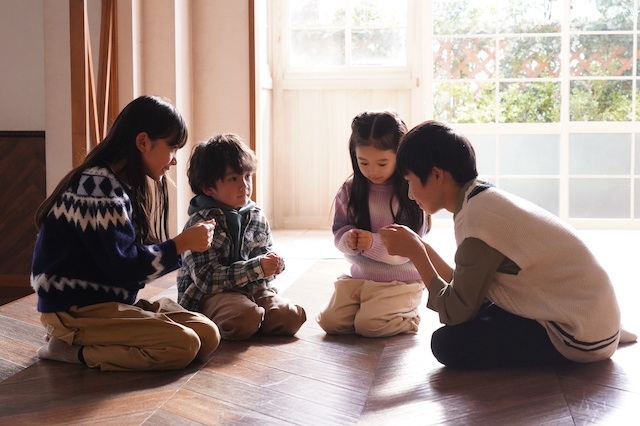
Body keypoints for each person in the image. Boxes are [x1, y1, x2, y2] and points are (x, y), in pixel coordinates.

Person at [379, 120, 637, 368]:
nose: (410, 195)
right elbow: (466, 288)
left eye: (410, 181)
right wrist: (420, 247)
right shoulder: (480, 198)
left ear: (436, 175)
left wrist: (416, 253)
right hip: (592, 316)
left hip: (579, 336)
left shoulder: (477, 220)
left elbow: (456, 311)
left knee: (446, 343)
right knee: (482, 309)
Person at [31, 95, 221, 372]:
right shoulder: (98, 187)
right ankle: (71, 350)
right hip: (75, 311)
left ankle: (97, 340)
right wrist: (181, 244)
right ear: (143, 142)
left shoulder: (118, 184)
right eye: (172, 147)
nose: (175, 161)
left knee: (207, 334)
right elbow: (125, 268)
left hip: (109, 305)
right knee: (184, 345)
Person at [177, 133, 307, 340]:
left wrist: (273, 265)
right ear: (208, 188)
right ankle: (239, 318)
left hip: (254, 289)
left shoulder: (256, 215)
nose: (244, 185)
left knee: (290, 316)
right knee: (244, 317)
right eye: (233, 179)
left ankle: (255, 316)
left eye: (247, 176)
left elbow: (264, 255)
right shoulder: (200, 224)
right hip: (211, 295)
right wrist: (257, 267)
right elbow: (206, 280)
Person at [316, 111, 430, 337]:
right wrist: (349, 240)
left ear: (400, 155)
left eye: (382, 163)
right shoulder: (350, 190)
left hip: (401, 280)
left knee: (369, 326)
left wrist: (372, 243)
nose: (372, 171)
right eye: (363, 162)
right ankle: (369, 304)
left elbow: (408, 250)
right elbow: (339, 230)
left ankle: (408, 314)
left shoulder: (411, 191)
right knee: (330, 322)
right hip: (362, 275)